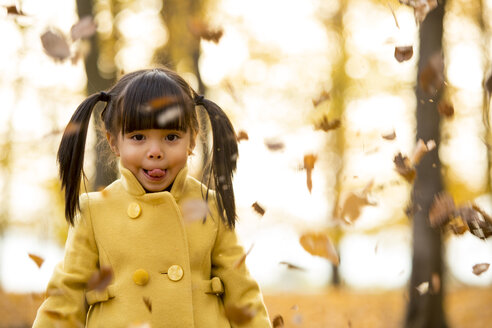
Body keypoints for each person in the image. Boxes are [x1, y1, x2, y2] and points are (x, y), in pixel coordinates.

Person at [32, 67, 272, 327]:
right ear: (114, 142)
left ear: (192, 140)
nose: (155, 151)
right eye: (138, 137)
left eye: (171, 137)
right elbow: (66, 299)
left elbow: (243, 295)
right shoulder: (94, 211)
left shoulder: (210, 206)